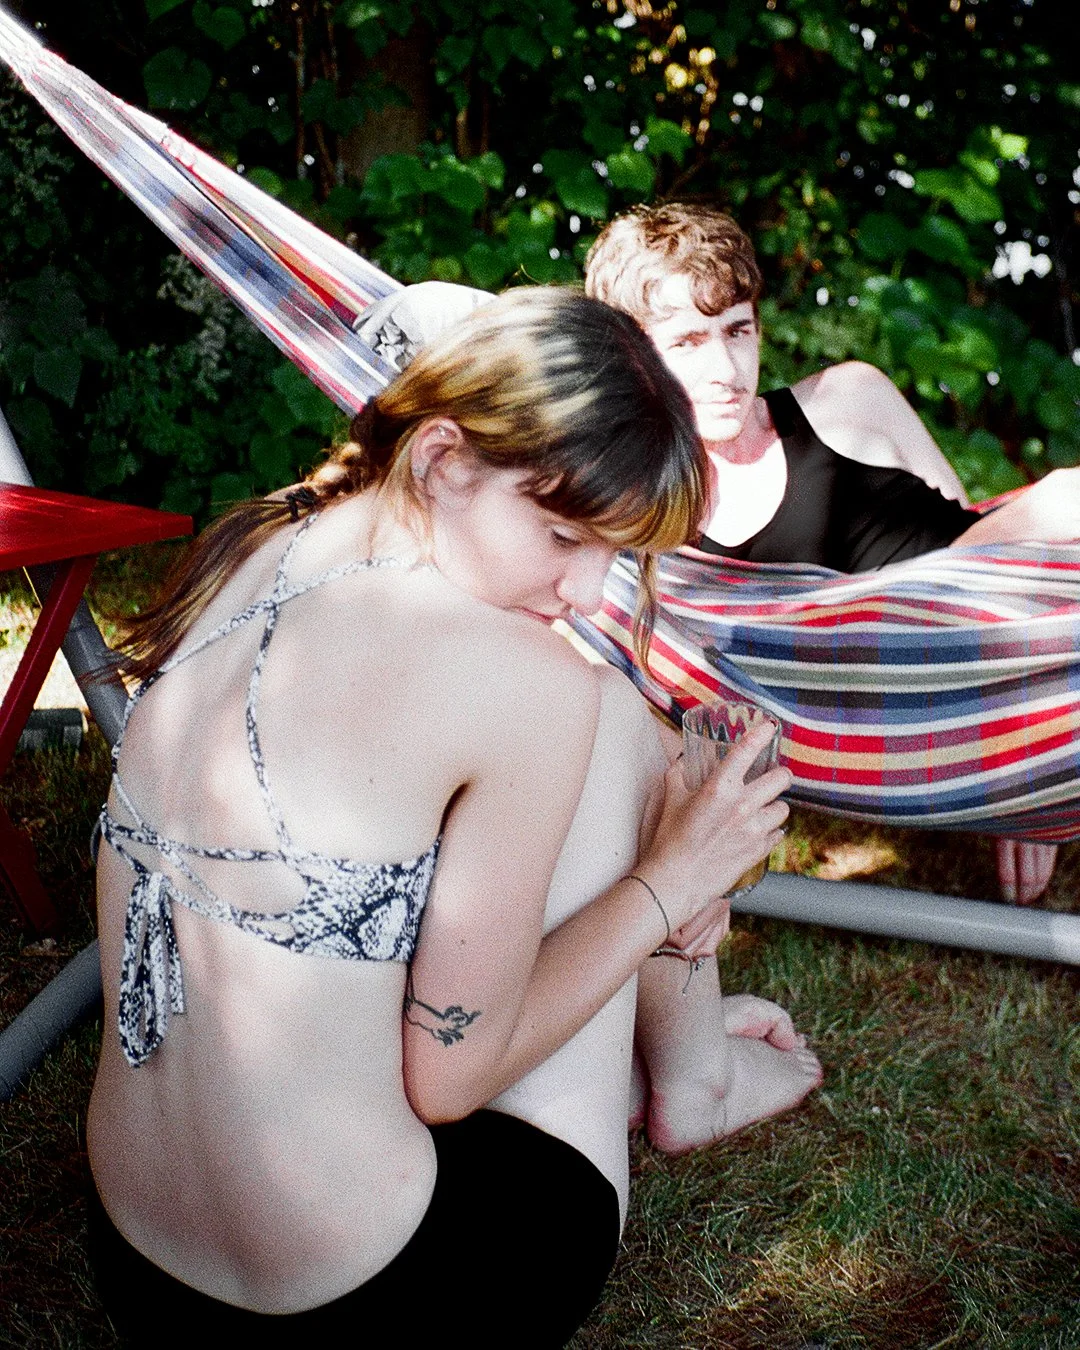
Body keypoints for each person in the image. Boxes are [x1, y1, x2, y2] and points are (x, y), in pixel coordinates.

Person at [86, 286, 819, 1347]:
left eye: (614, 553)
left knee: (600, 724)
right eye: (565, 534)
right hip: (375, 1302)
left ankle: (661, 1051)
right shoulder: (526, 685)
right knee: (615, 715)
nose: (583, 591)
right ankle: (694, 1082)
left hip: (143, 1273)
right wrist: (675, 882)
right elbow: (447, 1083)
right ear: (440, 457)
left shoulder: (258, 548)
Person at [585, 201, 1080, 905]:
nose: (726, 368)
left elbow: (982, 555)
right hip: (894, 678)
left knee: (1063, 504)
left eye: (738, 330)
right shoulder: (642, 513)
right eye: (688, 343)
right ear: (630, 353)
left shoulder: (852, 395)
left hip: (1002, 644)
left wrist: (1027, 713)